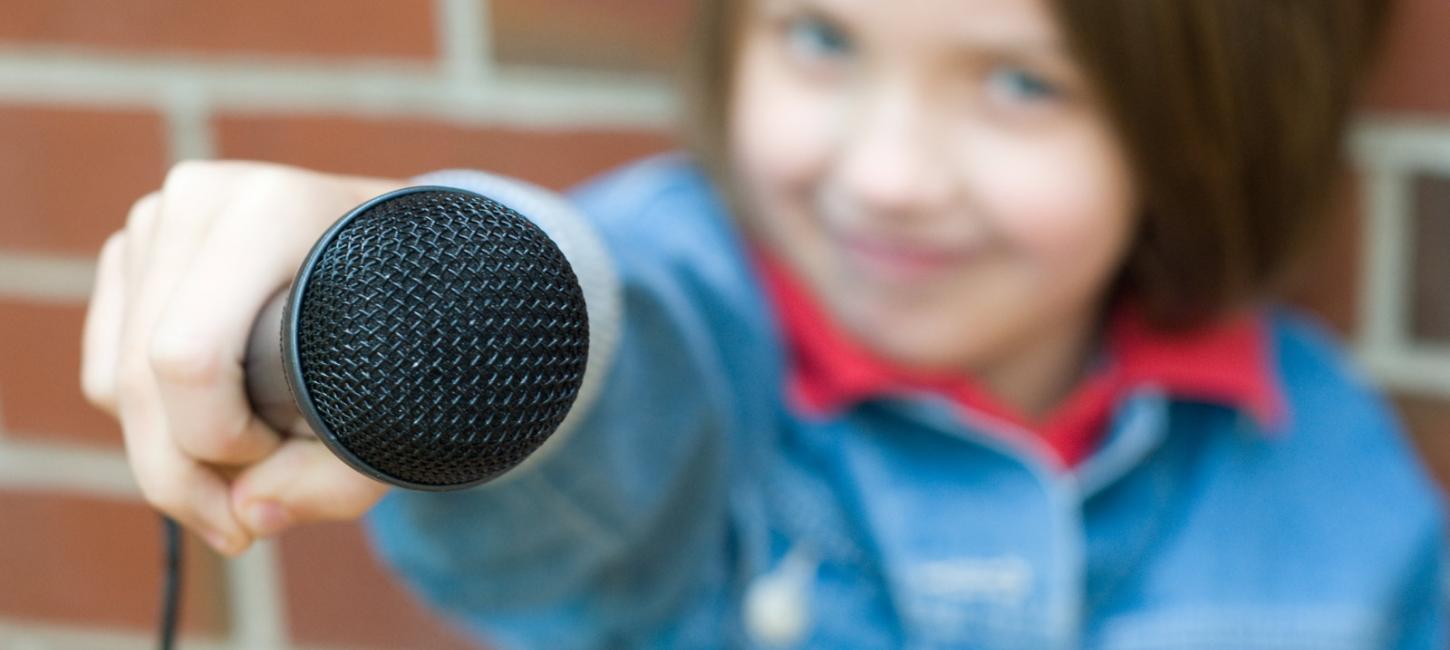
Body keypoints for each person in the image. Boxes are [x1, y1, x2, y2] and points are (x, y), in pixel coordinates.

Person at [81, 0, 1444, 647]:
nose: (886, 174)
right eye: (822, 42)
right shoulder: (696, 343)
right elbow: (602, 359)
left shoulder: (1333, 475)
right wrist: (424, 264)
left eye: (1024, 84)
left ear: (1209, 116)